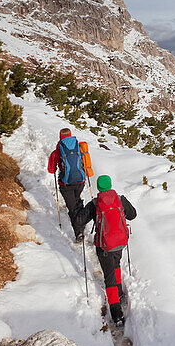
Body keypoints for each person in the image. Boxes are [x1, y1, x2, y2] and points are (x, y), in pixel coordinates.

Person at [76, 174, 137, 325]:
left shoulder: (95, 203)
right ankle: (120, 293)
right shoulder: (120, 199)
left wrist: (79, 207)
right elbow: (133, 215)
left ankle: (117, 314)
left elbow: (79, 220)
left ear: (99, 187)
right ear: (110, 185)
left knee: (108, 277)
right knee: (116, 265)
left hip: (104, 246)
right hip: (120, 242)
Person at [47, 127, 87, 239]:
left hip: (66, 184)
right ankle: (82, 221)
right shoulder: (79, 147)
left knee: (72, 208)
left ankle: (79, 232)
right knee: (77, 201)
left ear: (60, 137)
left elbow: (51, 170)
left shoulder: (57, 151)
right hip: (80, 181)